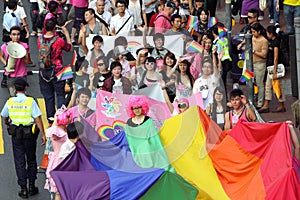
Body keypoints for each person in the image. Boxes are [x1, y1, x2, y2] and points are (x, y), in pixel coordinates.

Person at [1, 78, 46, 199]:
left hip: (16, 134)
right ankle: (32, 186)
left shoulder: (10, 101)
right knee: (31, 159)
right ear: (26, 88)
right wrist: (43, 134)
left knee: (19, 160)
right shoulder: (31, 101)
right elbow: (38, 119)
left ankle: (23, 188)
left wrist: (7, 124)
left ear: (15, 88)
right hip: (29, 134)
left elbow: (4, 115)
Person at [39, 18, 72, 124]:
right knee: (60, 94)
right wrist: (66, 34)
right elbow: (69, 48)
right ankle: (61, 117)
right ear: (55, 28)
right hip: (58, 70)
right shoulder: (59, 40)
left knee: (48, 96)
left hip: (43, 70)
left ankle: (50, 120)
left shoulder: (39, 39)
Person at [44, 107, 71, 200]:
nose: (69, 120)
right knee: (60, 191)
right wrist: (56, 118)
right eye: (67, 118)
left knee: (61, 191)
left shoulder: (61, 131)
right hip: (62, 162)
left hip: (62, 161)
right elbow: (52, 131)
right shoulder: (58, 133)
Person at [258, 25, 286, 113]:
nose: (266, 34)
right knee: (271, 86)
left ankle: (276, 105)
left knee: (275, 86)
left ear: (271, 33)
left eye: (267, 33)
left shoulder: (275, 43)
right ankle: (270, 104)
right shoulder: (272, 41)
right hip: (271, 68)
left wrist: (274, 71)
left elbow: (276, 57)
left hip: (274, 68)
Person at [0, 26, 30, 96]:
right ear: (10, 36)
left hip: (22, 74)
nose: (16, 37)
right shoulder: (5, 46)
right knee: (12, 95)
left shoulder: (24, 46)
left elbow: (27, 61)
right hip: (10, 74)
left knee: (22, 95)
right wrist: (6, 64)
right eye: (14, 34)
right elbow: (1, 56)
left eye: (18, 34)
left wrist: (23, 55)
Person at [250, 23, 268, 109]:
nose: (253, 34)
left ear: (259, 31)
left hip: (260, 64)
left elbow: (264, 55)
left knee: (260, 84)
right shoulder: (253, 37)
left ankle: (260, 103)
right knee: (253, 82)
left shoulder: (264, 41)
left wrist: (253, 51)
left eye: (254, 32)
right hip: (251, 63)